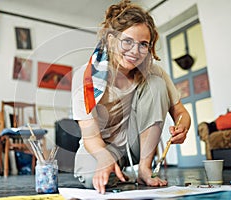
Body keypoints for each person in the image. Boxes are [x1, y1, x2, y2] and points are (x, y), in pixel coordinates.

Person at [71, 0, 191, 194]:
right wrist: (104, 158)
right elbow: (90, 136)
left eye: (143, 44)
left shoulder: (154, 72)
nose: (135, 51)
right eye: (127, 41)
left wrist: (183, 126)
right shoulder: (86, 78)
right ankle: (114, 168)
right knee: (90, 178)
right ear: (111, 40)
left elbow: (181, 112)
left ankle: (144, 169)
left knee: (155, 83)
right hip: (101, 147)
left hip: (136, 147)